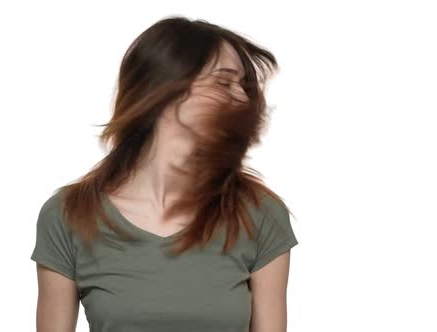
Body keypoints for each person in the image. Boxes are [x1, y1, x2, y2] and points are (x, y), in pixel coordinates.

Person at [31, 15, 299, 332]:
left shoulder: (259, 214)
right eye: (224, 82)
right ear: (165, 89)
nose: (242, 97)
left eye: (244, 86)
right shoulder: (68, 215)